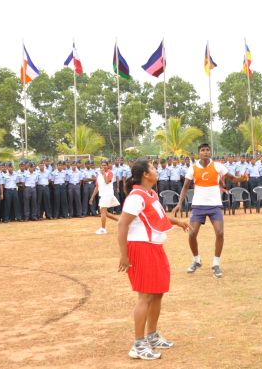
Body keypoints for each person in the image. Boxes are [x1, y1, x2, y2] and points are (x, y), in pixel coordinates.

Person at [117, 159, 190, 360]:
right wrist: (124, 255)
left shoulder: (151, 194)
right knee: (145, 296)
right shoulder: (135, 197)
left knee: (158, 293)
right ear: (145, 175)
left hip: (154, 247)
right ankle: (138, 344)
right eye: (152, 168)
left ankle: (152, 335)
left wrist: (178, 222)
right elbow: (122, 224)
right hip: (141, 248)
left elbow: (159, 216)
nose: (156, 170)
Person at [172, 143, 248, 278]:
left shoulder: (218, 166)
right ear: (199, 153)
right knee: (192, 234)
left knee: (220, 233)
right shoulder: (193, 168)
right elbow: (185, 187)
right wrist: (179, 203)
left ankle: (216, 263)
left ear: (210, 152)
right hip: (198, 206)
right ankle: (196, 260)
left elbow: (231, 178)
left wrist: (240, 179)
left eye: (207, 150)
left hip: (215, 205)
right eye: (203, 150)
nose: (205, 152)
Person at [89, 160, 120, 235]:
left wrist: (103, 174)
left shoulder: (110, 173)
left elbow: (107, 182)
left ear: (108, 166)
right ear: (100, 166)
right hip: (102, 195)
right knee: (105, 213)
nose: (103, 166)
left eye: (105, 165)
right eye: (102, 165)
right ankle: (121, 222)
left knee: (102, 211)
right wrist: (92, 198)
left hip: (108, 194)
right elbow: (97, 187)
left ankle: (103, 229)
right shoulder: (99, 175)